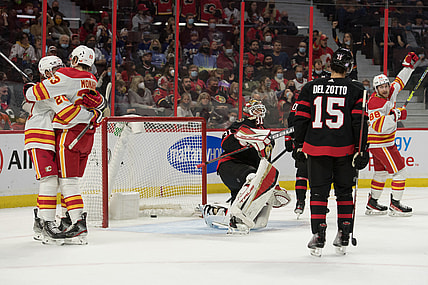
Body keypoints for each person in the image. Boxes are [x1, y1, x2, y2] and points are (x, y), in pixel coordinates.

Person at [293, 48, 369, 256]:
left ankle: (318, 234)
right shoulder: (356, 89)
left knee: (318, 192)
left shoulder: (310, 87)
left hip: (316, 148)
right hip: (345, 150)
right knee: (344, 192)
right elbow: (359, 123)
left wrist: (298, 144)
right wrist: (362, 149)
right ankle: (344, 233)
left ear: (329, 65)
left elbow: (300, 118)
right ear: (350, 67)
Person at [25, 47, 105, 245]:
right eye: (53, 69)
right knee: (51, 181)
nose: (58, 70)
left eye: (60, 66)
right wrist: (95, 114)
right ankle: (46, 223)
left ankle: (54, 221)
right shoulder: (64, 87)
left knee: (58, 181)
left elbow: (33, 94)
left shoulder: (59, 85)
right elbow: (66, 113)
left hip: (55, 136)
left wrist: (98, 107)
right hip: (40, 137)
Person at [201, 99, 291, 233]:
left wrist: (272, 184)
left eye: (261, 109)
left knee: (258, 221)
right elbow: (226, 144)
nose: (260, 113)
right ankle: (234, 213)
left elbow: (266, 160)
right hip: (231, 166)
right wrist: (243, 141)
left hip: (250, 171)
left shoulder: (266, 133)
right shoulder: (239, 125)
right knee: (252, 177)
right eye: (256, 109)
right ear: (248, 111)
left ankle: (215, 211)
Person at [365, 52, 419, 217]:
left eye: (386, 86)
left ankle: (372, 203)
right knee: (400, 172)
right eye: (381, 87)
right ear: (376, 89)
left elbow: (400, 80)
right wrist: (397, 114)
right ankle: (395, 205)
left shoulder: (390, 91)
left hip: (383, 143)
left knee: (381, 173)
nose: (385, 89)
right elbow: (379, 125)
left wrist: (408, 66)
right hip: (381, 142)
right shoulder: (374, 102)